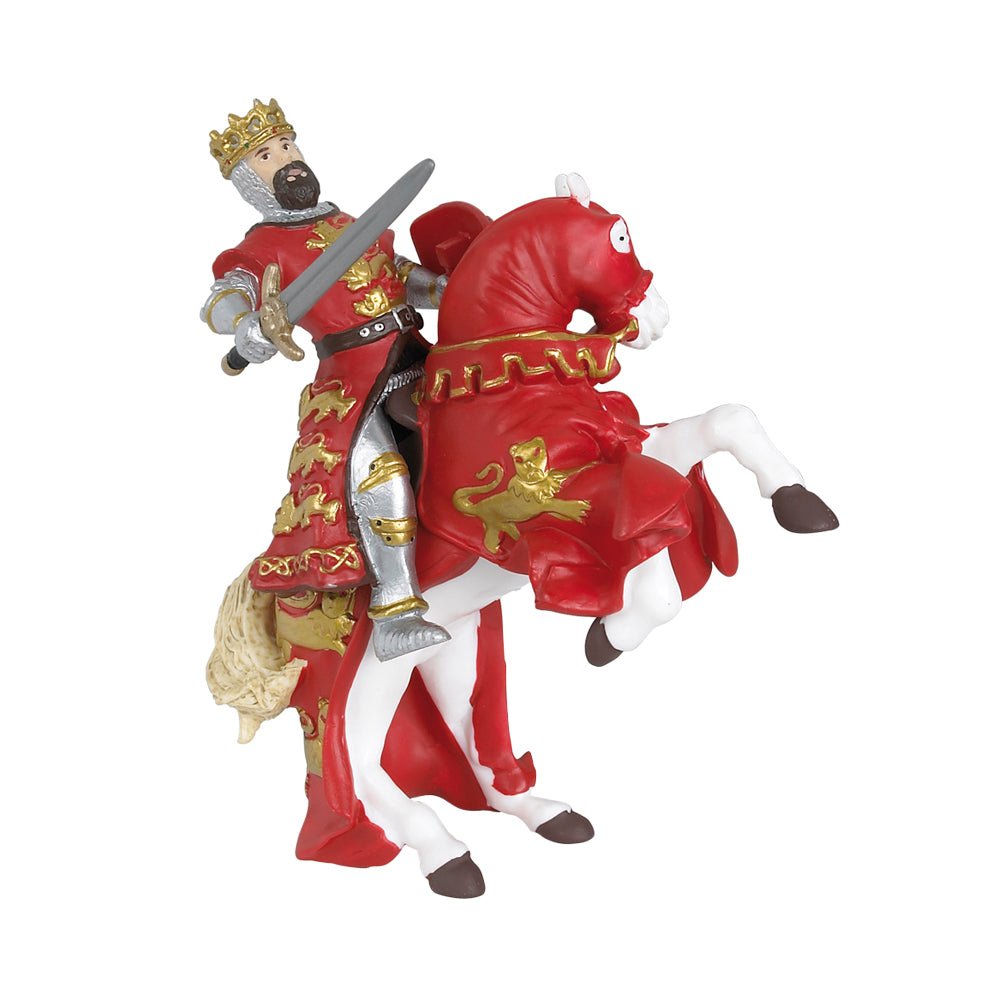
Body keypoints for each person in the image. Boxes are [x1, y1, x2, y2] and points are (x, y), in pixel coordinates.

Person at [203, 99, 449, 660]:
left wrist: (444, 286)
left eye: (287, 146)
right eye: (267, 156)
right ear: (248, 180)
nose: (286, 160)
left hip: (414, 352)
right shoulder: (259, 250)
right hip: (351, 381)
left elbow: (398, 276)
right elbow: (224, 299)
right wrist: (245, 328)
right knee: (379, 472)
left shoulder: (351, 225)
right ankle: (396, 612)